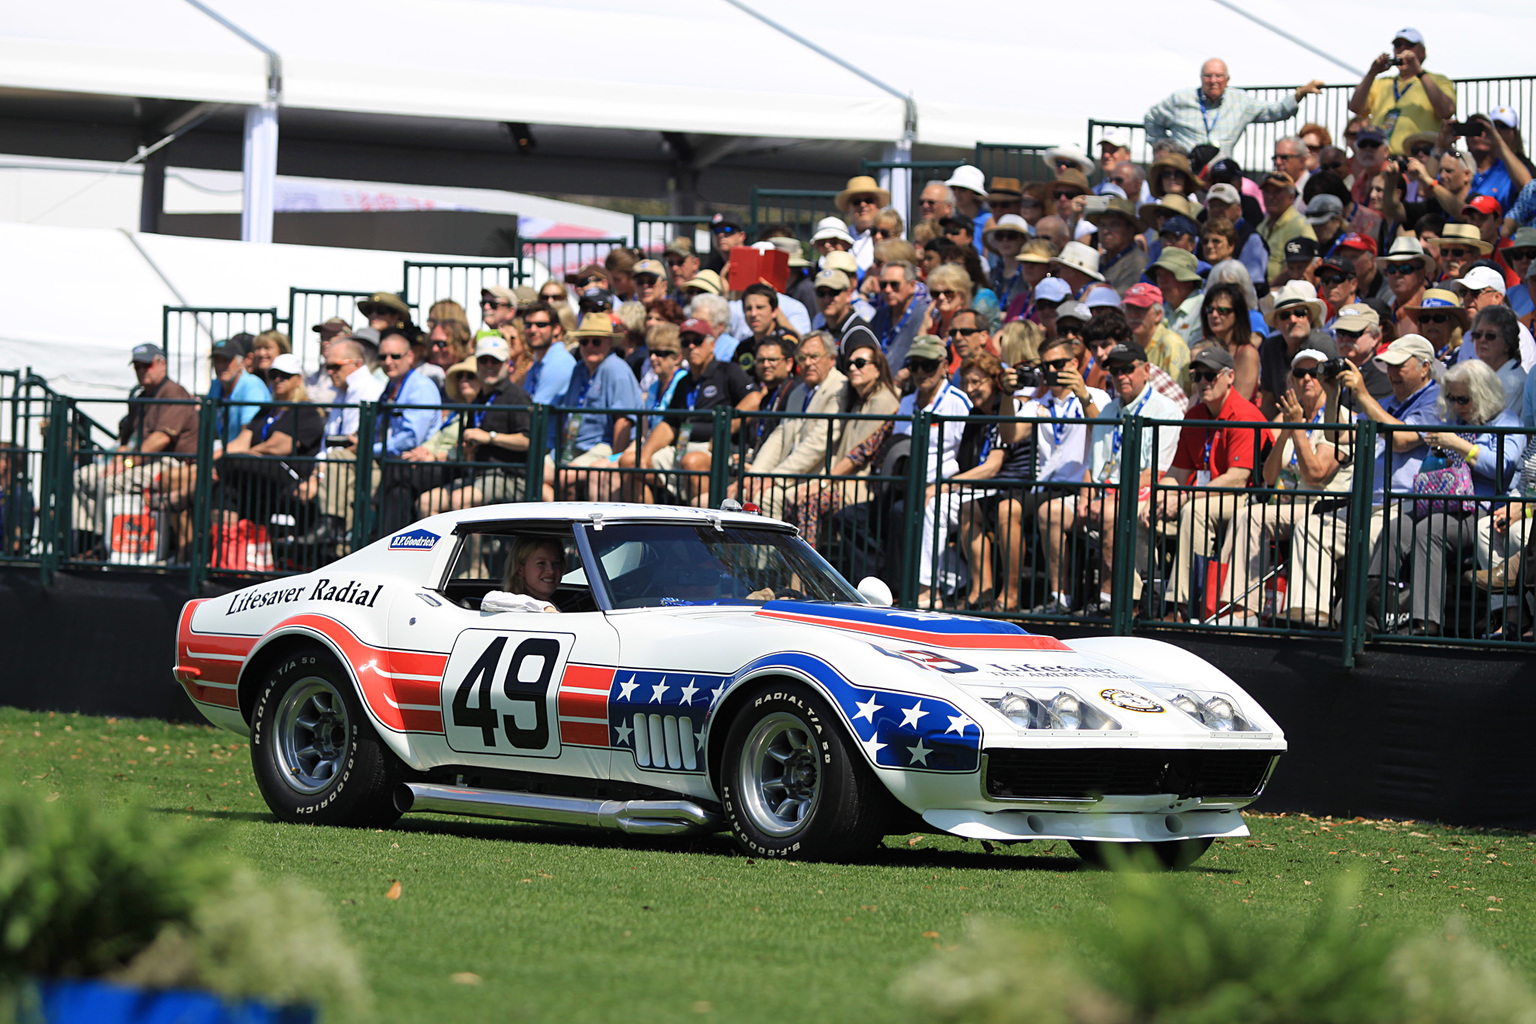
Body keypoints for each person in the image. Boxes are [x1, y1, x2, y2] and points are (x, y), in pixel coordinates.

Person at [1288, 335, 1443, 628]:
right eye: (1389, 367)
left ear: (1425, 367)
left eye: (1400, 366)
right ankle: (1311, 617)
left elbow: (1401, 440)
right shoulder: (1386, 403)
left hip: (1402, 507)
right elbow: (1337, 436)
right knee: (1310, 528)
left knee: (1370, 536)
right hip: (1363, 503)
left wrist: (1361, 394)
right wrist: (1333, 395)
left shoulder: (1437, 401)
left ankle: (1356, 625)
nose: (1393, 373)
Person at [1032, 340, 1184, 617]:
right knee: (1050, 511)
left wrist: (1111, 497)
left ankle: (1107, 599)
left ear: (1146, 370)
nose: (1121, 376)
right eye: (1115, 371)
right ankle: (1060, 598)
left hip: (1143, 494)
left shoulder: (1166, 410)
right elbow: (1094, 462)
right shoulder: (1110, 410)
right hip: (1104, 492)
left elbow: (1158, 471)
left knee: (1112, 513)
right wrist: (1085, 496)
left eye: (1127, 369)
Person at [1373, 360, 1521, 635]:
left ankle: (1425, 623)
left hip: (1478, 509)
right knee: (1396, 527)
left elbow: (1504, 466)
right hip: (1439, 502)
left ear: (1483, 394)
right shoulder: (1453, 421)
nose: (1456, 405)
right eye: (1451, 398)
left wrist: (1458, 444)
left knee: (1431, 532)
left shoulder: (1507, 420)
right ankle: (1375, 611)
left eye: (1462, 399)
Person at [975, 336, 1109, 613]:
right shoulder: (1040, 402)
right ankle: (1010, 597)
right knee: (1005, 509)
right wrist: (1007, 396)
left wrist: (1083, 396)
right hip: (1045, 485)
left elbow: (1103, 435)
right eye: (1046, 366)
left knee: (1050, 510)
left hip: (1078, 487)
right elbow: (1010, 435)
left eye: (1059, 364)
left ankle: (1061, 597)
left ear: (1074, 363)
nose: (1053, 371)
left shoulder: (1096, 396)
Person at [1218, 345, 1350, 624]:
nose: (1307, 379)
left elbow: (1316, 474)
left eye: (1315, 373)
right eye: (1300, 373)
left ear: (1326, 379)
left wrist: (1298, 430)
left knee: (1251, 517)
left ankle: (1244, 610)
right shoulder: (1288, 415)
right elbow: (1269, 476)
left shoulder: (1340, 418)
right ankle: (1241, 608)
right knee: (1246, 513)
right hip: (1288, 504)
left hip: (1323, 506)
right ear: (1291, 381)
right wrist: (1286, 432)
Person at [1154, 347, 1267, 621]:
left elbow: (1238, 477)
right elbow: (1177, 472)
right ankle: (1132, 601)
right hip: (1206, 493)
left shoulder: (1244, 414)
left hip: (1246, 496)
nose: (1203, 382)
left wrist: (1187, 497)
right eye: (1197, 376)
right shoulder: (1194, 415)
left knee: (1193, 513)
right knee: (1143, 512)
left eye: (1210, 376)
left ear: (1230, 376)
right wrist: (1163, 496)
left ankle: (1184, 607)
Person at [916, 353, 1028, 609]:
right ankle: (967, 584)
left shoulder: (1007, 408)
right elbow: (967, 463)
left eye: (976, 382)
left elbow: (992, 467)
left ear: (993, 381)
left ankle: (928, 590)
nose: (970, 389)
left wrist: (944, 485)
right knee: (928, 506)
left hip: (1006, 488)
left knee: (938, 504)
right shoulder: (975, 415)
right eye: (965, 383)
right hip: (978, 491)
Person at [71, 344, 198, 551]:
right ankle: (85, 541)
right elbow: (126, 438)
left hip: (171, 463)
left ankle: (104, 546)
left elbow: (161, 439)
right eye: (137, 366)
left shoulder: (173, 392)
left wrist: (128, 461)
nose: (141, 371)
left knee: (107, 483)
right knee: (82, 477)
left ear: (162, 364)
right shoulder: (141, 398)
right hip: (139, 461)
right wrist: (120, 454)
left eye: (146, 365)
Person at [627, 317, 760, 507]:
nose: (691, 347)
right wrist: (645, 455)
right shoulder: (683, 382)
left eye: (697, 341)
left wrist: (723, 430)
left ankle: (698, 530)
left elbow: (754, 399)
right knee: (631, 462)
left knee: (692, 461)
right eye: (685, 343)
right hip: (681, 447)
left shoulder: (728, 370)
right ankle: (648, 527)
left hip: (715, 448)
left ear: (711, 344)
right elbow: (669, 424)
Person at [781, 342, 900, 549]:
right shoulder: (858, 400)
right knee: (793, 498)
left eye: (860, 363)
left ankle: (805, 576)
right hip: (841, 480)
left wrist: (823, 482)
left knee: (809, 501)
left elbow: (859, 454)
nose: (853, 368)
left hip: (860, 485)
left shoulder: (883, 400)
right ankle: (794, 570)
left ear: (878, 367)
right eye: (850, 364)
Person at [213, 353, 325, 542]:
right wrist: (214, 457)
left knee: (231, 463)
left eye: (285, 375)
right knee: (223, 489)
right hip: (257, 475)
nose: (278, 380)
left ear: (298, 379)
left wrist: (239, 456)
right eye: (273, 375)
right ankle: (225, 552)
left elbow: (278, 447)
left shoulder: (306, 411)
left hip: (288, 475)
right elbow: (243, 440)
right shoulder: (266, 410)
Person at [744, 332, 845, 521]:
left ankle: (773, 552)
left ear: (831, 359)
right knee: (746, 493)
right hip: (788, 475)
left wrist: (773, 477)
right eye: (802, 358)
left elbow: (819, 442)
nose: (807, 363)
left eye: (814, 356)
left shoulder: (839, 388)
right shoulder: (798, 392)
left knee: (766, 499)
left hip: (814, 478)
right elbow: (780, 437)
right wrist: (756, 476)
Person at [1142, 57, 1324, 161]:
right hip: (1186, 170)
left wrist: (1300, 94)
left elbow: (1275, 111)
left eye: (1219, 76)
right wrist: (1166, 150)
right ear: (1200, 78)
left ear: (1227, 80)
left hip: (1220, 172)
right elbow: (1151, 119)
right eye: (1208, 76)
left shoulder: (1240, 101)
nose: (1213, 81)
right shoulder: (1180, 99)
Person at [549, 313, 644, 502]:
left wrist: (615, 459)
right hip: (575, 447)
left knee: (566, 476)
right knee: (535, 474)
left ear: (609, 343)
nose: (589, 346)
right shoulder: (578, 369)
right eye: (584, 342)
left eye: (596, 342)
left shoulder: (616, 369)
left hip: (604, 446)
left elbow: (623, 421)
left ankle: (573, 530)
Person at [1350, 28, 1456, 154]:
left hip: (1420, 157)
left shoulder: (1438, 80)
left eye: (1410, 45)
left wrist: (1419, 72)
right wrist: (1372, 73)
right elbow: (1355, 107)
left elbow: (1447, 111)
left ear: (1422, 53)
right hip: (1383, 160)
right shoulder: (1381, 82)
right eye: (1398, 45)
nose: (1403, 49)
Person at [1257, 281, 1329, 418]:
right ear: (1276, 323)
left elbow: (1333, 395)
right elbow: (1268, 399)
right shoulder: (1270, 347)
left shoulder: (1323, 344)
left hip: (1320, 421)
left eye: (1299, 313)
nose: (1293, 319)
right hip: (1285, 422)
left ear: (1309, 317)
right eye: (1285, 315)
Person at [1192, 281, 1263, 403]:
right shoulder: (1202, 349)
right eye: (1209, 309)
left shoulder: (1247, 353)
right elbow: (1196, 396)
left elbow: (1240, 402)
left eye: (1222, 310)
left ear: (1238, 314)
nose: (1214, 315)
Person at [208, 338, 271, 446]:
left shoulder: (252, 386)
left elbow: (247, 439)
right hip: (228, 452)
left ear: (242, 362)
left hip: (247, 456)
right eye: (217, 360)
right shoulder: (216, 386)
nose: (221, 365)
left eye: (227, 360)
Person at [870, 259, 928, 372]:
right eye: (883, 284)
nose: (887, 290)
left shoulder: (924, 316)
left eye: (894, 284)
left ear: (911, 286)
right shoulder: (880, 316)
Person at [483, 536, 566, 614]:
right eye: (541, 563)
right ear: (520, 569)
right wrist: (543, 608)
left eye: (556, 563)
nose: (551, 571)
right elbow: (489, 601)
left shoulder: (552, 606)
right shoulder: (509, 604)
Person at [519, 300, 578, 406]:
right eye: (528, 325)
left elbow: (536, 409)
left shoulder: (560, 362)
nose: (532, 330)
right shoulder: (539, 362)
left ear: (556, 329)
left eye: (540, 325)